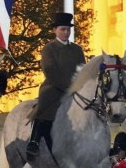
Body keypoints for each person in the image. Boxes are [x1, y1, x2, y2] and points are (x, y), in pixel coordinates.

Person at [27, 13, 86, 160]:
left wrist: (80, 85)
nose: (66, 32)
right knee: (46, 103)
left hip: (75, 87)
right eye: (63, 29)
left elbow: (83, 69)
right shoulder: (49, 48)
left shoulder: (77, 49)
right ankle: (34, 141)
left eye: (68, 30)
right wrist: (67, 87)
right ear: (55, 30)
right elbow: (50, 70)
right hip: (54, 86)